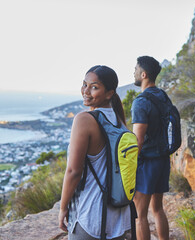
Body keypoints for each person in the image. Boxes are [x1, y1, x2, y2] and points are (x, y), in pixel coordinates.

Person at [58, 65, 131, 240]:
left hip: (90, 215)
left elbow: (73, 172)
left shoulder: (84, 120)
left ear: (109, 93)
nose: (86, 91)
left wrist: (62, 208)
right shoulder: (119, 120)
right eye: (84, 84)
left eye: (94, 87)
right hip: (119, 216)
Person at [131, 56, 170, 240]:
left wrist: (129, 166)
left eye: (136, 69)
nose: (134, 72)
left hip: (147, 162)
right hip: (163, 158)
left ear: (144, 74)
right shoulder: (162, 96)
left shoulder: (141, 101)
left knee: (140, 215)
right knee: (158, 209)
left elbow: (138, 140)